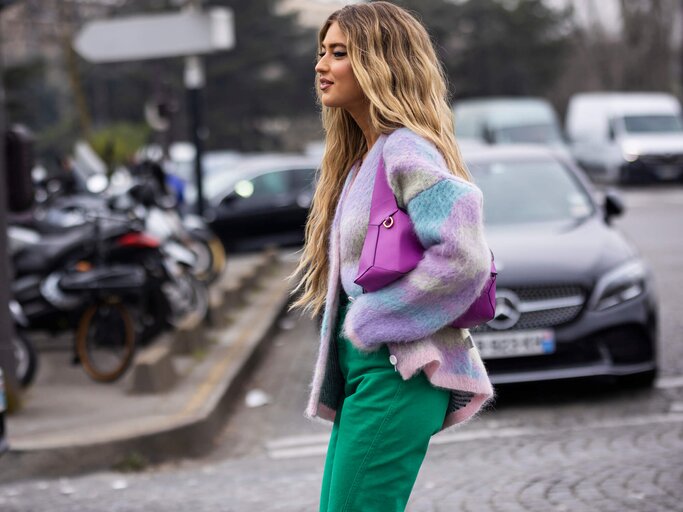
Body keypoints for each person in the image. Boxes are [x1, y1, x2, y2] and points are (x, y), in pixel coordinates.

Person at [288, 3, 494, 511]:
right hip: (369, 373)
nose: (321, 65)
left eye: (338, 53)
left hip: (397, 372)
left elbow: (464, 255)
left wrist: (376, 318)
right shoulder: (364, 157)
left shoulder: (406, 150)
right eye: (321, 52)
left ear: (379, 63)